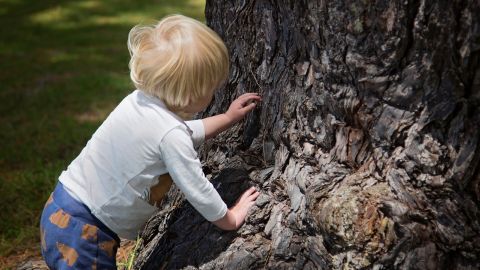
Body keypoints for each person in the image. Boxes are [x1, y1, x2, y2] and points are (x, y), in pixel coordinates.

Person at [39, 14, 261, 269]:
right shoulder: (169, 135)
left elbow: (179, 134)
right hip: (84, 234)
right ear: (192, 93)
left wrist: (227, 117)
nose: (215, 93)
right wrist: (230, 219)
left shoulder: (137, 101)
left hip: (60, 207)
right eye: (212, 88)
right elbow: (196, 187)